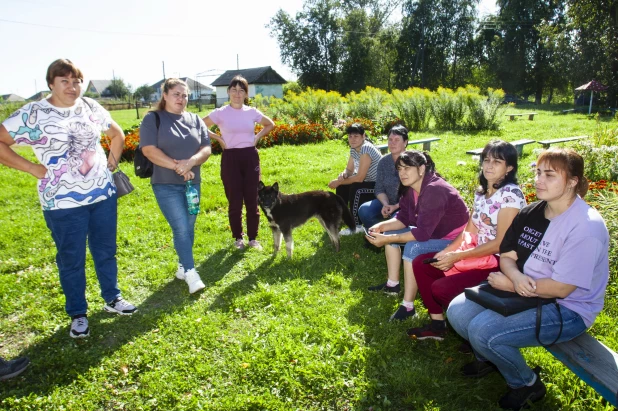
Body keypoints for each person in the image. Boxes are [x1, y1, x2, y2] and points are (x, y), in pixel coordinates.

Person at [447, 148, 609, 410]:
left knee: (483, 331)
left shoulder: (585, 227)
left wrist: (512, 283)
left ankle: (525, 383)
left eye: (549, 175)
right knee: (458, 312)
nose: (539, 180)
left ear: (572, 181)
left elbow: (562, 288)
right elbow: (507, 255)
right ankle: (491, 357)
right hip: (525, 286)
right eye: (537, 173)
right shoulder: (534, 211)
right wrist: (514, 276)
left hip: (568, 308)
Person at [0, 59, 136, 339]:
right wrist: (31, 168)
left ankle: (112, 299)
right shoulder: (34, 113)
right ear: (51, 84)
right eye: (65, 81)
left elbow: (116, 133)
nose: (72, 87)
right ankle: (78, 313)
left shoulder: (89, 106)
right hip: (62, 202)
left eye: (76, 81)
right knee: (71, 259)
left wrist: (111, 163)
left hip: (102, 196)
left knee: (105, 251)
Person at [406, 140, 526, 340]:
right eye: (486, 160)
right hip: (476, 254)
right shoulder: (482, 192)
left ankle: (472, 329)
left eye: (497, 161)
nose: (489, 165)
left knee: (441, 288)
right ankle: (437, 325)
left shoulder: (510, 195)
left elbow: (501, 244)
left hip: (501, 263)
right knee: (423, 264)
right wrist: (447, 252)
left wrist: (458, 256)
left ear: (509, 167)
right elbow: (469, 230)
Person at [365, 150, 469, 321]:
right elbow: (403, 219)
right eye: (399, 169)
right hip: (434, 232)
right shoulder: (410, 189)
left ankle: (408, 306)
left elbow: (421, 234)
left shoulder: (434, 190)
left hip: (454, 241)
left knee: (414, 247)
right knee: (390, 232)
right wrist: (381, 226)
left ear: (421, 168)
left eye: (407, 168)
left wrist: (388, 239)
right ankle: (392, 285)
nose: (402, 173)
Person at [140, 78, 212, 293]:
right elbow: (149, 150)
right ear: (165, 95)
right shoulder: (153, 119)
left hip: (192, 185)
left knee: (189, 227)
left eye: (185, 95)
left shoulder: (195, 119)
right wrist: (177, 166)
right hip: (165, 185)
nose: (181, 99)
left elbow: (206, 148)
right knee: (180, 227)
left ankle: (182, 266)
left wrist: (191, 162)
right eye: (176, 94)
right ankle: (191, 273)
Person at [203, 76, 274, 250]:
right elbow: (199, 124)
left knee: (252, 198)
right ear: (228, 92)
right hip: (230, 158)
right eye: (234, 89)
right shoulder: (220, 113)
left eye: (241, 90)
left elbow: (270, 124)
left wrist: (257, 137)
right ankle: (238, 238)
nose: (237, 93)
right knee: (234, 200)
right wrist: (217, 138)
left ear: (246, 94)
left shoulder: (251, 112)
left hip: (250, 157)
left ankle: (253, 238)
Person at [328, 123, 382, 234]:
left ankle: (356, 226)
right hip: (366, 181)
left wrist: (338, 182)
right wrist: (343, 175)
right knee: (344, 185)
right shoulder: (354, 149)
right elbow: (349, 170)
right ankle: (341, 217)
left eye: (356, 136)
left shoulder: (366, 149)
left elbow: (359, 178)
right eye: (350, 136)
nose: (352, 139)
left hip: (378, 186)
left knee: (356, 187)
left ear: (363, 136)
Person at [357, 124, 408, 229]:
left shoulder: (412, 161)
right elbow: (379, 188)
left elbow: (415, 195)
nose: (392, 143)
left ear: (405, 142)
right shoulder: (383, 162)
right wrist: (385, 204)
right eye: (390, 139)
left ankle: (389, 236)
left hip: (407, 205)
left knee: (396, 219)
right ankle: (378, 234)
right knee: (364, 210)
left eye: (397, 140)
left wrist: (396, 206)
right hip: (388, 202)